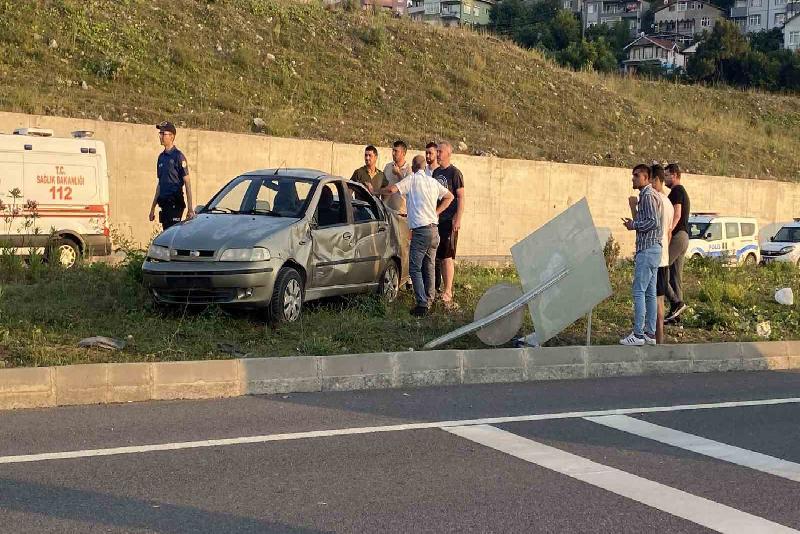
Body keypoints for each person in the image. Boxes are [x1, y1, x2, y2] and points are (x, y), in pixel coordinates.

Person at [381, 155, 454, 317]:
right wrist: (436, 212)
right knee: (429, 265)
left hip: (421, 231)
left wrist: (374, 191)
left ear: (413, 167)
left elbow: (392, 190)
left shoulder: (412, 179)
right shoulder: (432, 182)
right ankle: (430, 299)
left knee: (415, 267)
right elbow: (450, 196)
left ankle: (422, 303)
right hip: (434, 230)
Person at [620, 164, 662, 347]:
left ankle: (638, 333)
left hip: (647, 249)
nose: (633, 178)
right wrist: (634, 222)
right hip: (654, 249)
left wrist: (634, 226)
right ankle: (650, 334)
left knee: (639, 291)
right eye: (633, 175)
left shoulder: (647, 195)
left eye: (637, 175)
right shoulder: (652, 196)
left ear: (646, 178)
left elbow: (652, 222)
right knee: (650, 293)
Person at [432, 141, 465, 310]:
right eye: (436, 151)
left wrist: (457, 219)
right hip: (437, 219)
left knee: (447, 256)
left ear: (448, 153)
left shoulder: (455, 173)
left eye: (440, 151)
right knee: (438, 256)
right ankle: (439, 288)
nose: (437, 154)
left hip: (449, 220)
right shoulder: (436, 172)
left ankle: (448, 290)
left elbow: (461, 198)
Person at [149, 121, 194, 229]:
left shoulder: (178, 156)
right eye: (160, 134)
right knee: (165, 235)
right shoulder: (161, 157)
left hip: (175, 203)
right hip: (164, 203)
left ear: (172, 136)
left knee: (172, 234)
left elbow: (187, 182)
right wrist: (152, 208)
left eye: (163, 134)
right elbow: (160, 184)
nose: (160, 136)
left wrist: (190, 208)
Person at [665, 163, 690, 323]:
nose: (665, 178)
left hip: (677, 236)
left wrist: (669, 230)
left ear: (674, 175)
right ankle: (676, 315)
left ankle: (676, 302)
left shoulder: (676, 191)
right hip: (684, 237)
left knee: (660, 270)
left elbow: (678, 213)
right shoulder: (681, 191)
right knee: (675, 278)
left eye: (666, 175)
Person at [383, 140, 411, 216]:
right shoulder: (388, 167)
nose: (393, 153)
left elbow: (407, 187)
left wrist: (398, 173)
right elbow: (383, 186)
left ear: (403, 153)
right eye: (393, 150)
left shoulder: (409, 170)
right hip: (387, 211)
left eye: (396, 151)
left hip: (401, 213)